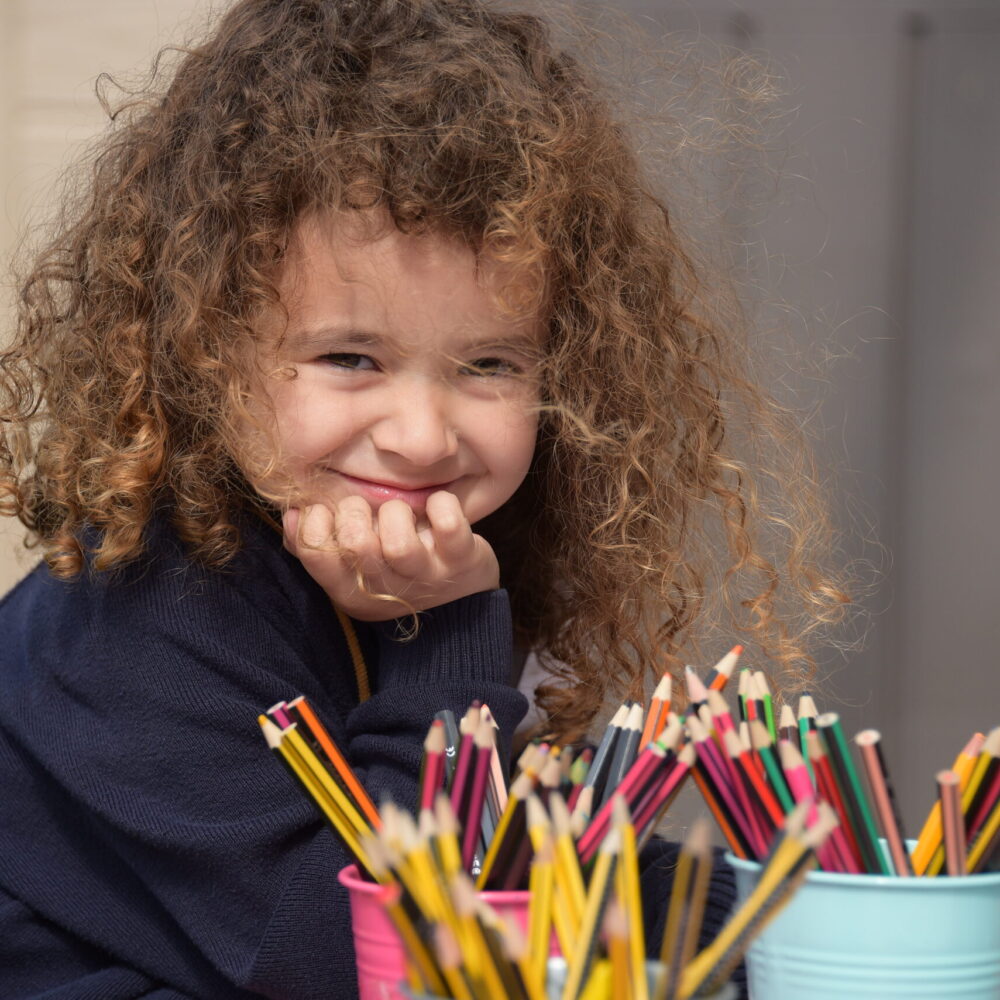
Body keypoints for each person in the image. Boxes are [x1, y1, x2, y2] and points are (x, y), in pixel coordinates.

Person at [0, 1, 849, 997]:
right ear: (203, 356)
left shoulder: (376, 563)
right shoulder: (138, 620)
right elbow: (374, 959)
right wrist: (442, 634)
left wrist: (785, 920)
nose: (421, 435)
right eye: (349, 357)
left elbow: (509, 862)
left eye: (488, 363)